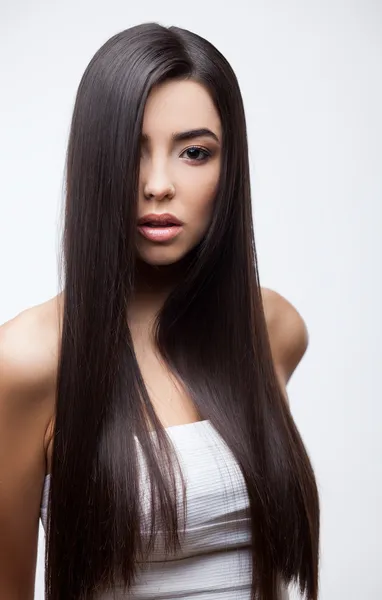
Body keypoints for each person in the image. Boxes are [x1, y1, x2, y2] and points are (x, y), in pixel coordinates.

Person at [0, 22, 319, 600]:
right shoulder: (28, 360)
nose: (158, 184)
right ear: (95, 166)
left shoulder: (273, 330)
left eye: (194, 153)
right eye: (131, 153)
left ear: (231, 167)